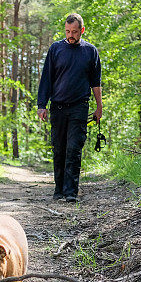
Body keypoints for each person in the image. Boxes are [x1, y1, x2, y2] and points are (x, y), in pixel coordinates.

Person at [36, 13, 103, 203]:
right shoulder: (56, 49)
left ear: (82, 30)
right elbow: (46, 78)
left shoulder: (90, 51)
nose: (70, 35)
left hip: (79, 107)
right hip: (58, 106)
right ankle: (59, 190)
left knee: (74, 148)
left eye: (74, 32)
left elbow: (96, 82)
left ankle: (71, 192)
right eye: (67, 31)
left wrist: (99, 106)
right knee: (59, 148)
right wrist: (42, 105)